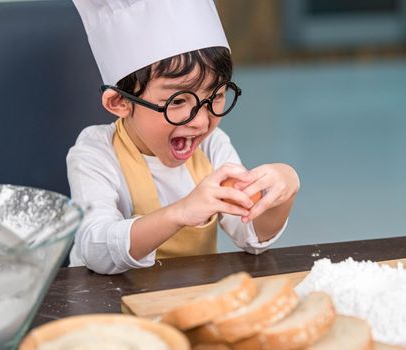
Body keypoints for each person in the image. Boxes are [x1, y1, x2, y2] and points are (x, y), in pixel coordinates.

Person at [69, 0, 300, 274]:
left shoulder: (212, 147)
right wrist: (179, 213)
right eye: (177, 101)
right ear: (120, 102)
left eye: (215, 96)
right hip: (105, 303)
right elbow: (96, 250)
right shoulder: (95, 152)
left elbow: (251, 236)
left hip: (186, 297)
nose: (201, 122)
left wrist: (285, 188)